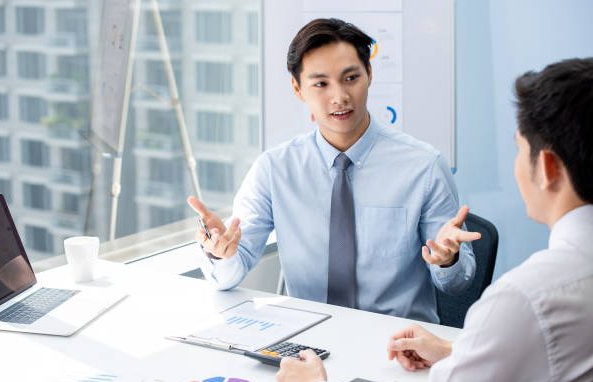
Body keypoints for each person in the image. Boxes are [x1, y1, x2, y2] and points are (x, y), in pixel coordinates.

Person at [275, 57, 593, 382]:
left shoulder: (528, 299)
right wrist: (460, 351)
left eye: (519, 149)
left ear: (547, 167)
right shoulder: (279, 164)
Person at [188, 18, 479, 323]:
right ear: (297, 88)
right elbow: (229, 273)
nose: (339, 96)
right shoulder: (274, 169)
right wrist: (221, 254)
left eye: (351, 78)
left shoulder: (424, 167)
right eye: (321, 84)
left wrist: (448, 260)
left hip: (399, 346)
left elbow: (457, 284)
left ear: (369, 73)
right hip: (307, 341)